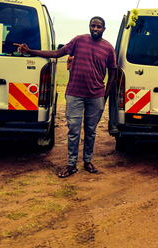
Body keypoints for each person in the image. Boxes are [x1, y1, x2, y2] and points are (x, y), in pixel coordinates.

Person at [15, 16, 117, 178]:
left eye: (99, 27)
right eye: (93, 26)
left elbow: (112, 74)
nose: (95, 29)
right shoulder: (79, 40)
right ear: (89, 26)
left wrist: (105, 97)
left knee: (90, 131)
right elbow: (56, 53)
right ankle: (71, 164)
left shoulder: (109, 49)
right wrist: (30, 51)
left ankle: (88, 161)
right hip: (74, 94)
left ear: (104, 29)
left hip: (96, 96)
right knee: (73, 131)